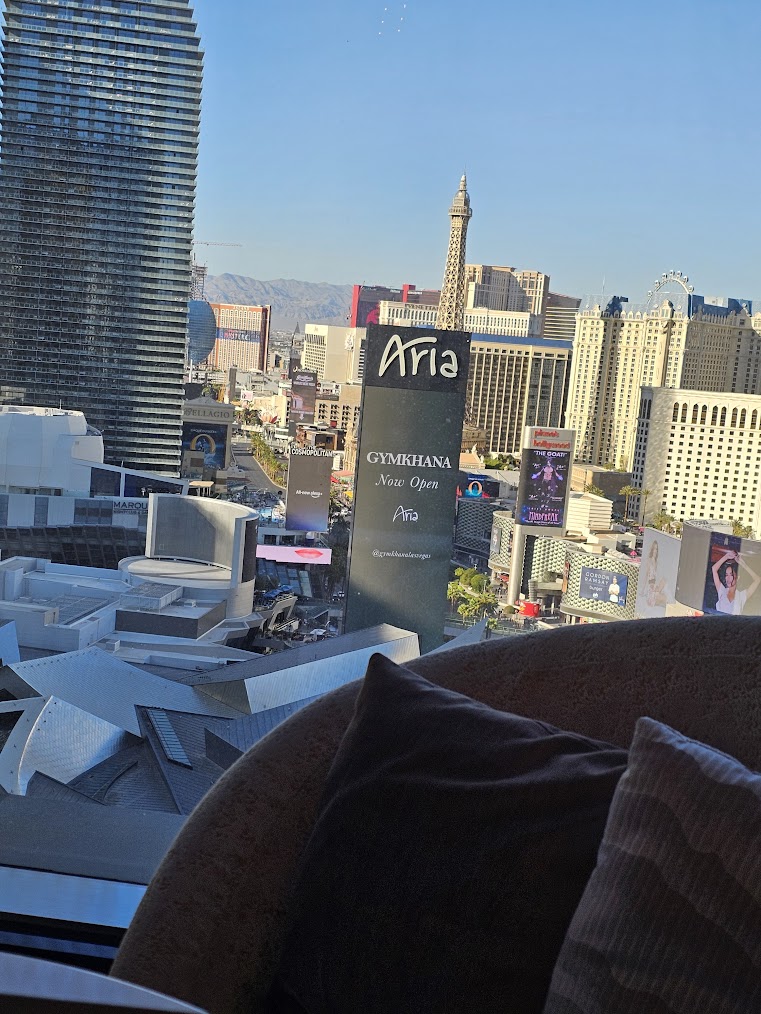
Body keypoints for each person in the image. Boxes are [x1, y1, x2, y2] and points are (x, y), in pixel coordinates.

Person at [711, 548, 761, 615]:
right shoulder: (722, 590)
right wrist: (726, 556)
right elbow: (714, 569)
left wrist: (744, 565)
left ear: (737, 578)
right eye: (726, 575)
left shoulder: (741, 596)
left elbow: (757, 579)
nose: (728, 578)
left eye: (731, 574)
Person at [644, 539, 668, 608]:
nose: (655, 551)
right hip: (650, 587)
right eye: (654, 548)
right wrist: (643, 590)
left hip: (654, 586)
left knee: (664, 580)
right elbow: (646, 575)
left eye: (656, 549)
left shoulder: (656, 562)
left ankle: (660, 601)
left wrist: (657, 586)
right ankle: (656, 600)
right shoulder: (649, 560)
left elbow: (656, 577)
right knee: (664, 598)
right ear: (652, 549)